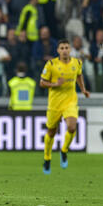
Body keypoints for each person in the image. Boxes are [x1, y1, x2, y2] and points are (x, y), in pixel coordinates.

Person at [40, 39, 90, 175]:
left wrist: (83, 90)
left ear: (70, 49)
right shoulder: (51, 64)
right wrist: (55, 84)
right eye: (61, 48)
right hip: (55, 103)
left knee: (72, 127)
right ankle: (47, 158)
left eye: (67, 48)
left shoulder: (77, 62)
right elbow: (42, 82)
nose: (64, 50)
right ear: (58, 51)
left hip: (70, 101)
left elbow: (79, 75)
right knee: (51, 132)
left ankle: (64, 150)